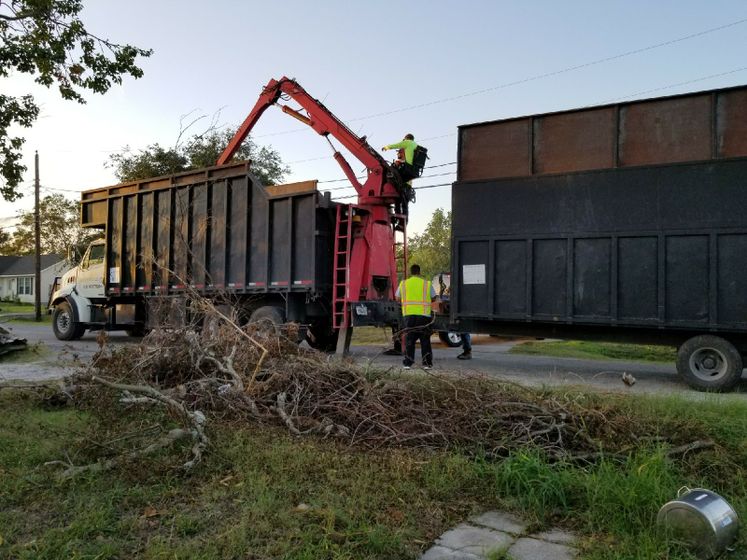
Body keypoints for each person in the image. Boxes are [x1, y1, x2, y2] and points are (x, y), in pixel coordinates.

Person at [396, 263, 436, 370]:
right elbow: (434, 297)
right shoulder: (427, 284)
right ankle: (427, 363)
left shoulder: (403, 284)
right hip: (424, 316)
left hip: (408, 316)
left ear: (410, 272)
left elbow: (397, 298)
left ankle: (408, 363)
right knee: (425, 340)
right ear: (419, 272)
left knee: (410, 339)